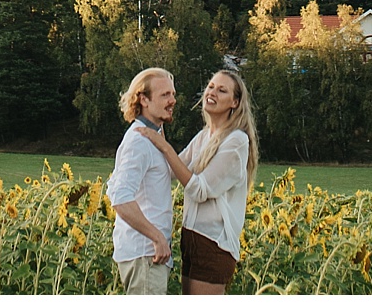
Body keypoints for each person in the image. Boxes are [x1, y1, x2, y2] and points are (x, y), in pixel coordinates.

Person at [136, 67, 259, 294]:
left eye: (222, 90)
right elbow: (171, 170)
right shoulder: (204, 136)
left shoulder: (236, 142)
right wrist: (136, 162)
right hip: (191, 238)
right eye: (211, 86)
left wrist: (163, 145)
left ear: (235, 102)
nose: (212, 92)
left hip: (214, 243)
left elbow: (199, 190)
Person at [105, 67, 178, 293]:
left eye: (173, 94)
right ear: (143, 99)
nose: (172, 100)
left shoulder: (153, 136)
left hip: (148, 254)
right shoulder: (139, 141)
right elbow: (120, 197)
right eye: (165, 95)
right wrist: (157, 238)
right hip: (145, 255)